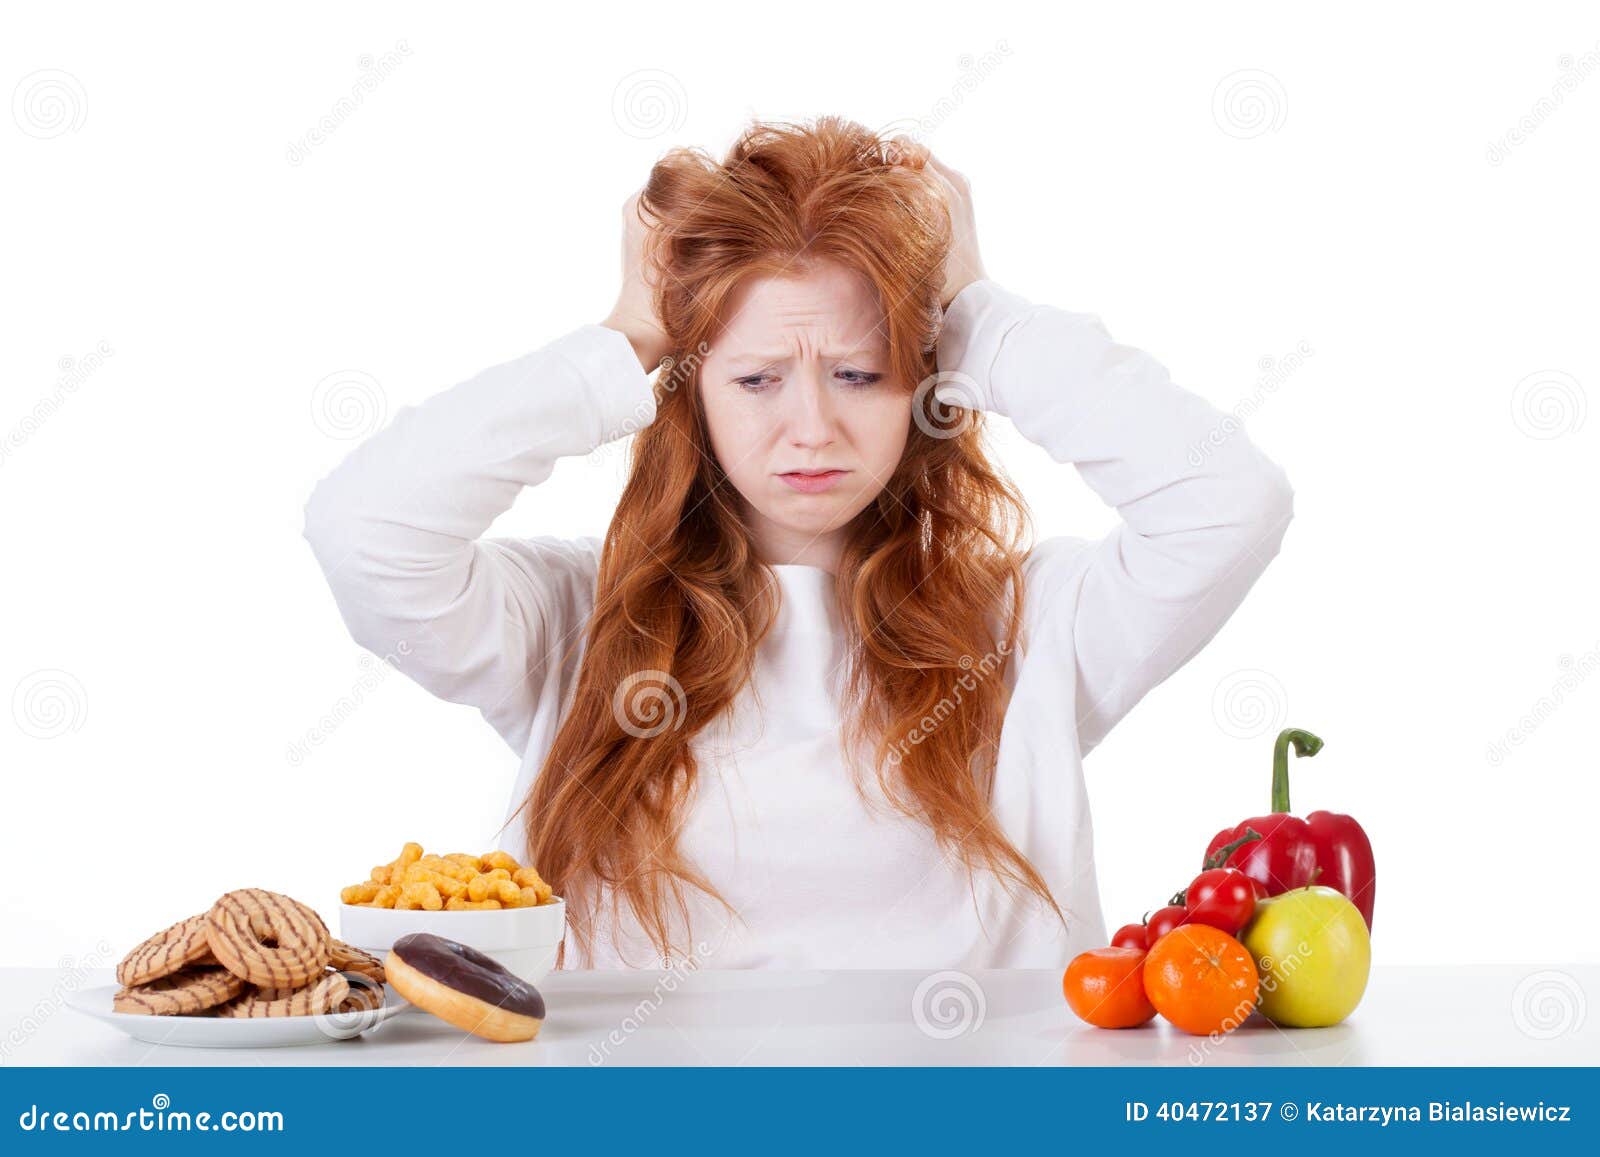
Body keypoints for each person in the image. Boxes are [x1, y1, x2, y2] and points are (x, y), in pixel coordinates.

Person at [302, 116, 1294, 971]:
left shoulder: (1031, 628)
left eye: (860, 374)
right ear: (688, 393)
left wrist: (974, 305)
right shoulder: (573, 621)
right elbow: (364, 529)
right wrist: (627, 335)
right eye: (757, 378)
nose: (812, 429)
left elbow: (1230, 500)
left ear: (925, 380)